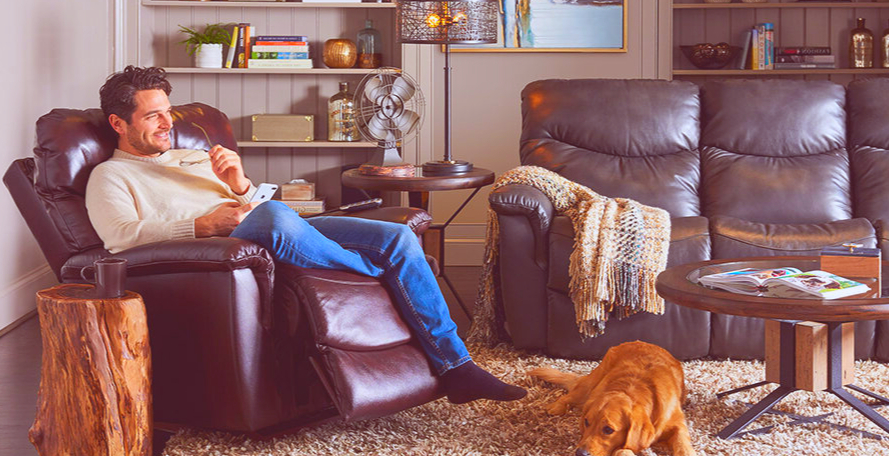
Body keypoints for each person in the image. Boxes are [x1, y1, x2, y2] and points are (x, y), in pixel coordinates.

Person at [85, 66, 526, 405]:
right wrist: (203, 226)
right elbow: (119, 239)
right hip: (222, 249)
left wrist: (240, 183)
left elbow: (255, 203)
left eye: (168, 111)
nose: (167, 122)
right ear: (119, 124)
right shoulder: (110, 176)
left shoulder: (195, 156)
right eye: (153, 115)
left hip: (269, 227)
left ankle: (457, 367)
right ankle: (376, 271)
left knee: (397, 238)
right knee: (278, 217)